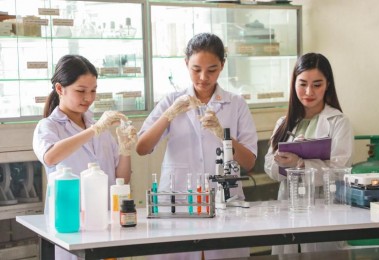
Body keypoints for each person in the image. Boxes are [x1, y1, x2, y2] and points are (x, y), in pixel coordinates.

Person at [136, 33, 258, 259]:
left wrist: (224, 136)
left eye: (212, 69)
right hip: (178, 203)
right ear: (186, 64)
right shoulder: (171, 100)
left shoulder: (237, 104)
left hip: (224, 203)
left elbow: (249, 162)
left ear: (222, 65)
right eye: (196, 69)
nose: (203, 77)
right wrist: (170, 114)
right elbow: (142, 147)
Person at [33, 54, 137, 260]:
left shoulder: (99, 128)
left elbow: (121, 180)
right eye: (81, 91)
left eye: (93, 91)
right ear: (60, 89)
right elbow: (51, 157)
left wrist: (126, 150)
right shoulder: (48, 127)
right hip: (69, 228)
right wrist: (95, 129)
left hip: (105, 224)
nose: (88, 98)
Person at [264, 52, 354, 254]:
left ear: (328, 84)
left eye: (317, 84)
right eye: (302, 83)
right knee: (287, 253)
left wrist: (301, 164)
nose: (308, 91)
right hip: (288, 203)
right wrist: (281, 161)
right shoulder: (283, 123)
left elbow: (340, 169)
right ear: (294, 83)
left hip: (325, 206)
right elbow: (269, 167)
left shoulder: (338, 122)